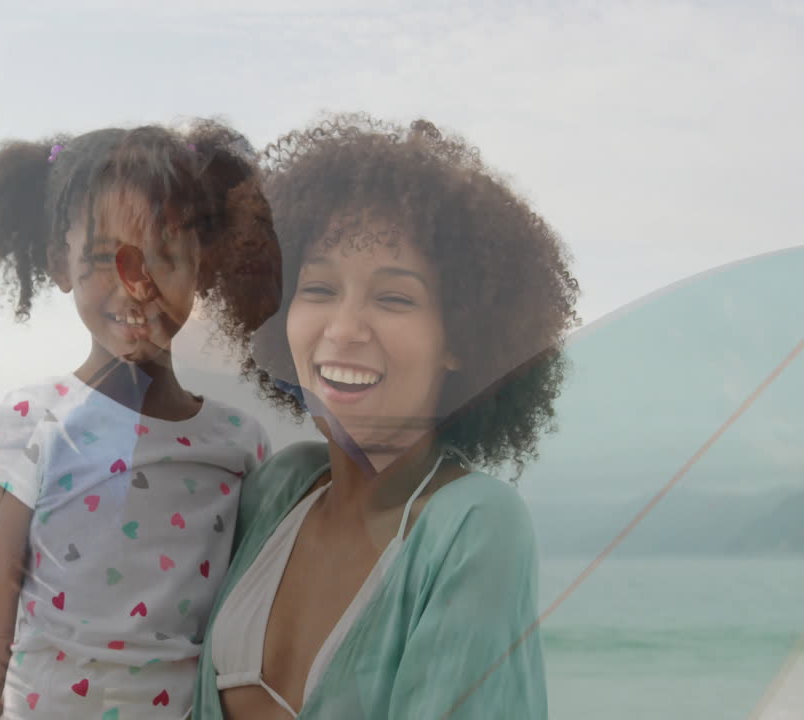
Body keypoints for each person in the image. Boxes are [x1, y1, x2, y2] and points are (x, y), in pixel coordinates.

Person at [193, 115, 580, 719]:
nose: (343, 330)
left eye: (393, 298)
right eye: (318, 290)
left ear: (460, 338)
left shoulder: (472, 525)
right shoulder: (278, 489)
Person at [0, 122, 282, 719]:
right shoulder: (27, 420)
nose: (136, 285)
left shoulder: (239, 444)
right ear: (59, 264)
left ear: (202, 267)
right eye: (105, 257)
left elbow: (249, 641)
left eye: (165, 255)